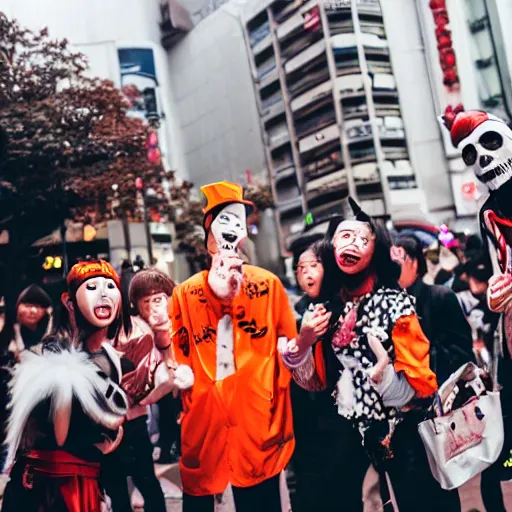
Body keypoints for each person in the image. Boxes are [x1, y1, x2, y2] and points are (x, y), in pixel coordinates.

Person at [279, 197, 460, 512]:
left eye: (363, 238)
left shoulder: (396, 304)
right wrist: (303, 343)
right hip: (346, 438)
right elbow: (314, 383)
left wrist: (387, 379)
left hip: (404, 437)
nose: (353, 245)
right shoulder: (327, 310)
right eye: (345, 237)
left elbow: (422, 388)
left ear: (376, 250)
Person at [169, 181, 297, 511]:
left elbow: (289, 346)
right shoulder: (186, 292)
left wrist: (274, 390)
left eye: (239, 221)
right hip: (206, 418)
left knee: (259, 499)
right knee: (198, 498)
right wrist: (181, 372)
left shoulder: (268, 285)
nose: (233, 228)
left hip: (256, 417)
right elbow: (177, 345)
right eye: (225, 220)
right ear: (209, 230)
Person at [1, 260, 128, 512]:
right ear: (70, 303)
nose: (103, 293)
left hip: (84, 476)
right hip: (55, 484)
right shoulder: (58, 354)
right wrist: (100, 443)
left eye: (110, 286)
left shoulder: (111, 355)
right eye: (92, 287)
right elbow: (58, 436)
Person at [442, 106, 512, 510]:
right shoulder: (489, 214)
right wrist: (496, 294)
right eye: (471, 153)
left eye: (489, 143)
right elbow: (500, 268)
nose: (482, 158)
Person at [101, 267, 192, 511]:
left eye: (158, 299)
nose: (153, 307)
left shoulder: (153, 328)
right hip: (111, 421)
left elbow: (165, 364)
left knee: (143, 482)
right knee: (118, 486)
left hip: (136, 420)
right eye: (147, 301)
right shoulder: (119, 330)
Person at [392, 235, 474, 384]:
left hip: (441, 392)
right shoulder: (386, 304)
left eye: (396, 263)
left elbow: (463, 354)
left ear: (414, 263)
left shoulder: (440, 297)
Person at [7, 284, 53, 360]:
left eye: (38, 307)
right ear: (17, 308)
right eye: (28, 306)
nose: (33, 311)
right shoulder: (7, 334)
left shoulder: (53, 334)